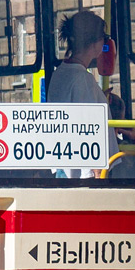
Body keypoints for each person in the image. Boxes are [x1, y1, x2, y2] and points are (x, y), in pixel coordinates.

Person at [48, 10, 119, 174]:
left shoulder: (60, 73)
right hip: (81, 172)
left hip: (63, 166)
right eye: (104, 38)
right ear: (95, 43)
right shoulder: (83, 79)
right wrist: (98, 173)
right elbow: (89, 131)